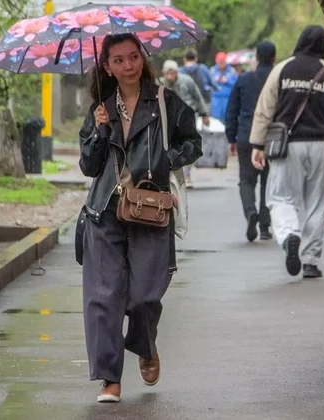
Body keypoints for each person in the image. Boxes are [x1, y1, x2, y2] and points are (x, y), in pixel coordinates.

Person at [78, 34, 202, 403]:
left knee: (145, 297)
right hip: (105, 211)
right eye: (118, 60)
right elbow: (89, 166)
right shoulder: (101, 108)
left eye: (133, 57)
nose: (128, 65)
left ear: (142, 58)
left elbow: (193, 143)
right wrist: (98, 131)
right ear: (107, 67)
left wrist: (166, 159)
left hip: (150, 209)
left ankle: (146, 345)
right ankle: (109, 378)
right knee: (103, 298)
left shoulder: (165, 101)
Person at [249, 25, 324, 279]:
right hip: (321, 146)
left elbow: (264, 109)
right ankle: (310, 260)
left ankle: (289, 236)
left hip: (289, 146)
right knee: (316, 203)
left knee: (280, 197)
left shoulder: (282, 69)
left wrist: (257, 144)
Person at [225, 41, 276, 242]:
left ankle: (250, 212)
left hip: (246, 135)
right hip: (272, 137)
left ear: (256, 57)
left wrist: (232, 137)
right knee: (268, 180)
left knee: (246, 179)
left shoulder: (244, 79)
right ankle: (265, 225)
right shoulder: (278, 77)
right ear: (274, 57)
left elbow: (232, 110)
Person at [162, 60, 210, 188]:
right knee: (173, 147)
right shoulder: (161, 84)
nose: (170, 75)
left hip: (188, 117)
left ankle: (187, 175)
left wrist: (204, 113)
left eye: (173, 72)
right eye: (168, 73)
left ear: (177, 72)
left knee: (188, 146)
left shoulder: (187, 81)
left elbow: (198, 97)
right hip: (169, 119)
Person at [210, 51, 238, 122]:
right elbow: (206, 84)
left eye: (223, 62)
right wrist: (214, 80)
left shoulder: (232, 71)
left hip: (228, 98)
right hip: (216, 98)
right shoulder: (212, 71)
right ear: (216, 61)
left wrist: (227, 81)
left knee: (228, 119)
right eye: (219, 62)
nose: (221, 64)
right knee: (215, 120)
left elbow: (237, 84)